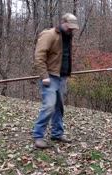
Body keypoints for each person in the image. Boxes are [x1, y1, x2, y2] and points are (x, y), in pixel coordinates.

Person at [33, 13, 79, 148]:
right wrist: (44, 76)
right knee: (49, 106)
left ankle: (57, 133)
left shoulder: (68, 36)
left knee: (59, 107)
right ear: (62, 22)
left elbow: (63, 56)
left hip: (62, 76)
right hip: (50, 77)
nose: (71, 29)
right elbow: (39, 57)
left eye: (73, 28)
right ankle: (38, 136)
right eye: (69, 26)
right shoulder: (49, 35)